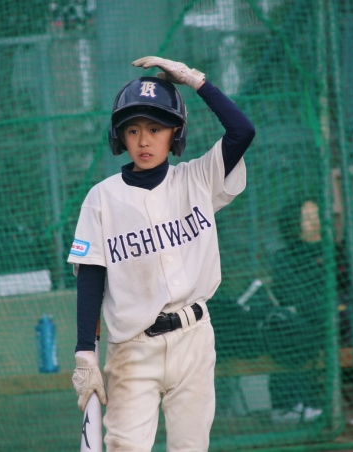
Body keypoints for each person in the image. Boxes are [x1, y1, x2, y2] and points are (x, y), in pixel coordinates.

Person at [68, 56, 255, 451]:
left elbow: (242, 131)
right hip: (133, 349)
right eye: (133, 130)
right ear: (120, 137)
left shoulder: (198, 178)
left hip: (194, 339)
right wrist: (85, 352)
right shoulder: (102, 198)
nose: (144, 140)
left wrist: (195, 81)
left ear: (175, 134)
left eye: (156, 129)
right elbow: (91, 278)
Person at [265, 195, 353, 424]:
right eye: (307, 218)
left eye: (316, 216)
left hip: (348, 321)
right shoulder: (285, 257)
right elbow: (290, 295)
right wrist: (327, 309)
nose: (315, 222)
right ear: (293, 224)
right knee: (294, 333)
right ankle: (290, 407)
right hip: (313, 323)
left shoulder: (337, 251)